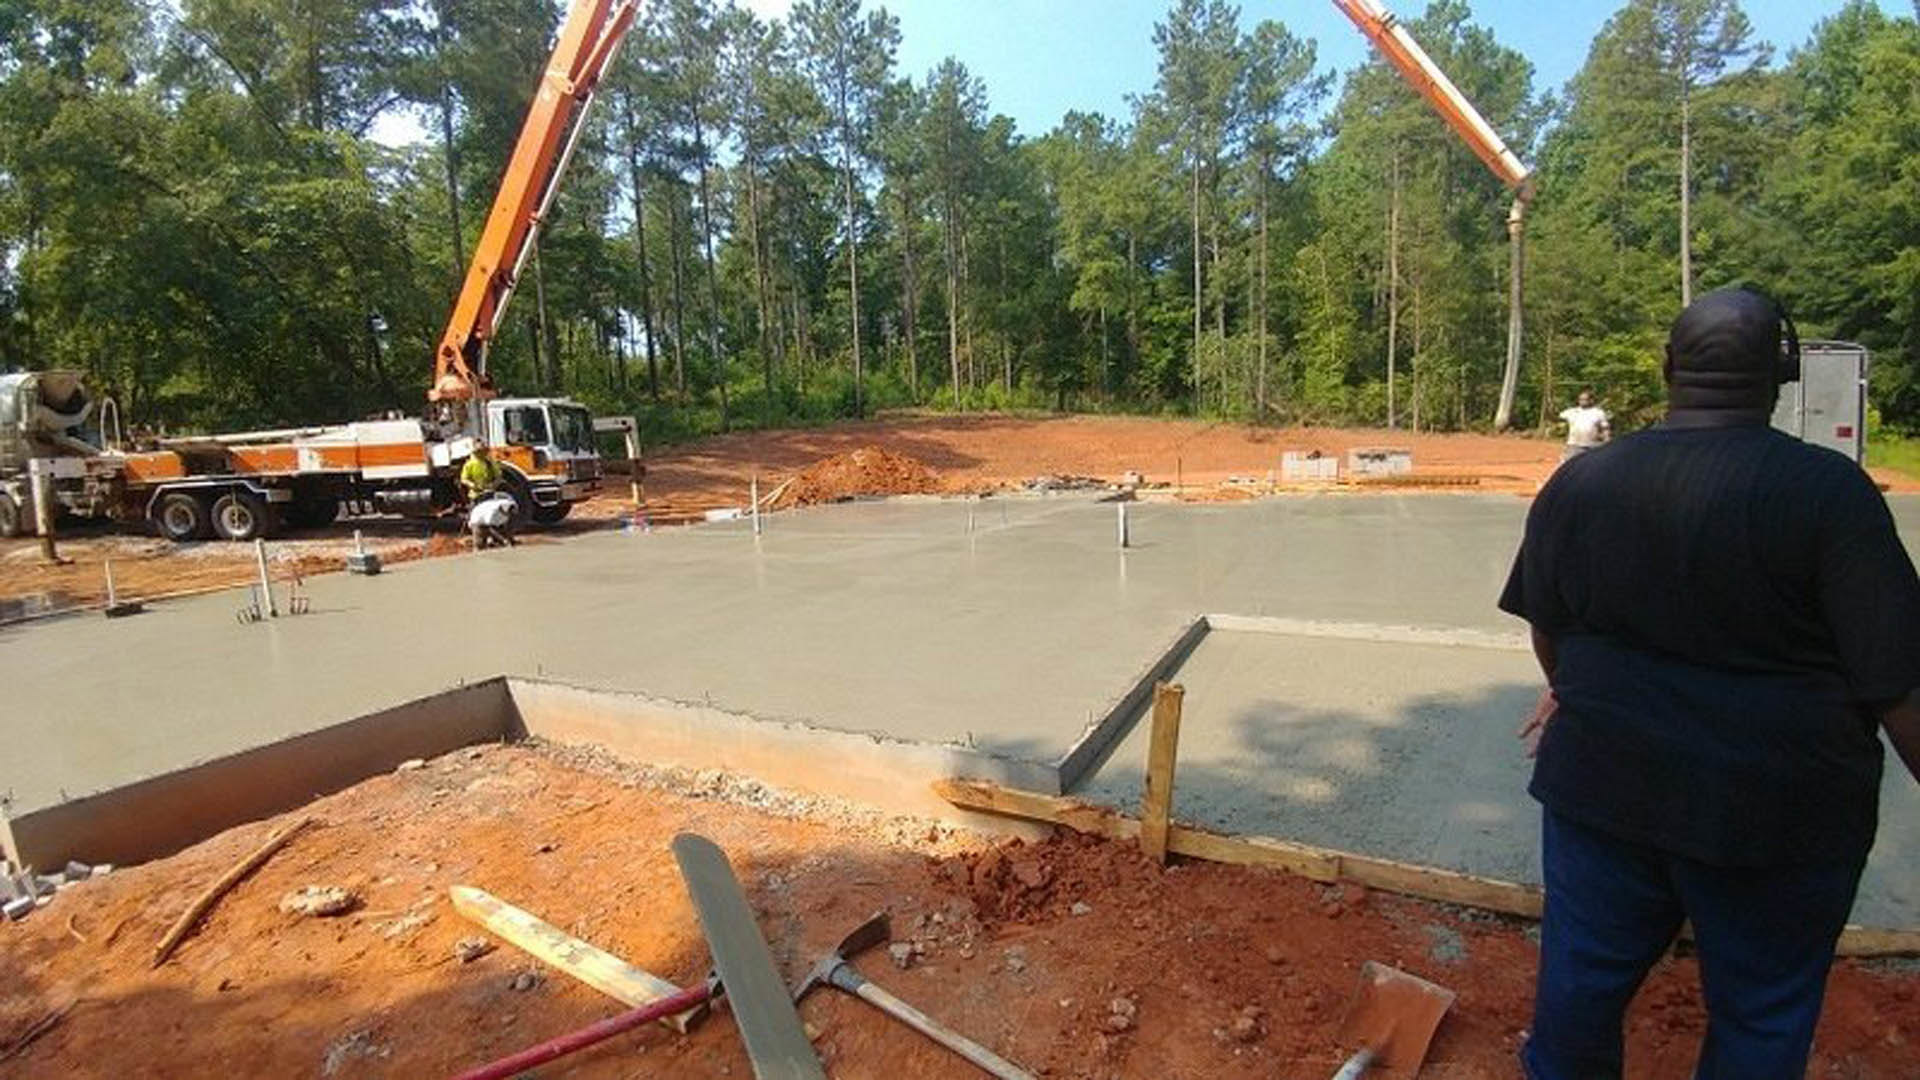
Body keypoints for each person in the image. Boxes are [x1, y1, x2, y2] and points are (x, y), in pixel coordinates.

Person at [1499, 287, 1920, 1079]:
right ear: (1782, 374)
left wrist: (1581, 690)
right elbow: (1898, 687)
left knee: (1578, 995)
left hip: (1604, 792)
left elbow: (1550, 632)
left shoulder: (1582, 484)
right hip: (1777, 814)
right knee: (1761, 1016)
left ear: (1668, 368)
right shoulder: (1831, 495)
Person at [1557, 389, 1610, 460]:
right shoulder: (1572, 411)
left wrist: (1607, 441)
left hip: (1591, 446)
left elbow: (1605, 428)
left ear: (1591, 400)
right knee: (1570, 466)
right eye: (1580, 399)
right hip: (1574, 446)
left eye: (1584, 399)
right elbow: (1557, 417)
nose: (1581, 401)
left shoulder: (1598, 413)